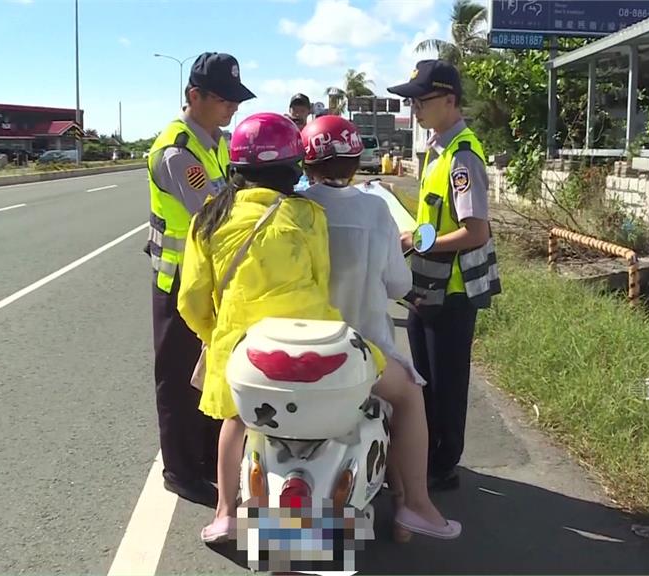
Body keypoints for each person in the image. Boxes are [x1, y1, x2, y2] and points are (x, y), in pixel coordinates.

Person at [177, 112, 457, 544]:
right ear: (292, 166)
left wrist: (219, 336)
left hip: (247, 356)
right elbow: (320, 282)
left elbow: (191, 301)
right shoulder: (306, 214)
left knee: (234, 418)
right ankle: (415, 503)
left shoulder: (208, 219)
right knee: (409, 395)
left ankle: (225, 513)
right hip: (323, 353)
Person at [299, 115, 460, 542]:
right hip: (360, 352)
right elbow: (399, 284)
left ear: (306, 163)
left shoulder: (294, 208)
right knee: (408, 398)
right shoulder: (374, 208)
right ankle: (413, 504)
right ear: (356, 162)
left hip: (299, 352)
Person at [146, 51, 255, 508]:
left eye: (236, 100)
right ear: (195, 96)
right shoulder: (178, 151)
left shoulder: (216, 142)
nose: (233, 107)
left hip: (212, 283)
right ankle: (181, 470)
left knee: (213, 371)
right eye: (225, 99)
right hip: (179, 285)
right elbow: (216, 215)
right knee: (177, 379)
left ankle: (211, 457)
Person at [386, 59, 501, 492]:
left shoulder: (462, 157)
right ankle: (427, 454)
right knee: (425, 381)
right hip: (427, 289)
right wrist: (415, 236)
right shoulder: (437, 150)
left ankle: (443, 465)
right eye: (411, 100)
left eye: (422, 99)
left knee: (447, 385)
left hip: (452, 295)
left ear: (449, 100)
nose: (414, 107)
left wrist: (421, 242)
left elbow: (476, 231)